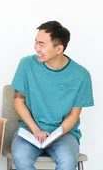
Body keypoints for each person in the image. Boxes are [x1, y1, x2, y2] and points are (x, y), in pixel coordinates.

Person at [11, 21, 94, 170]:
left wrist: (55, 134)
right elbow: (19, 102)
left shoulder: (81, 76)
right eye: (35, 43)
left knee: (67, 161)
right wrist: (36, 130)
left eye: (42, 44)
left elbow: (74, 115)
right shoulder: (26, 65)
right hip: (30, 131)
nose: (36, 48)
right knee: (21, 158)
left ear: (59, 49)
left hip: (64, 134)